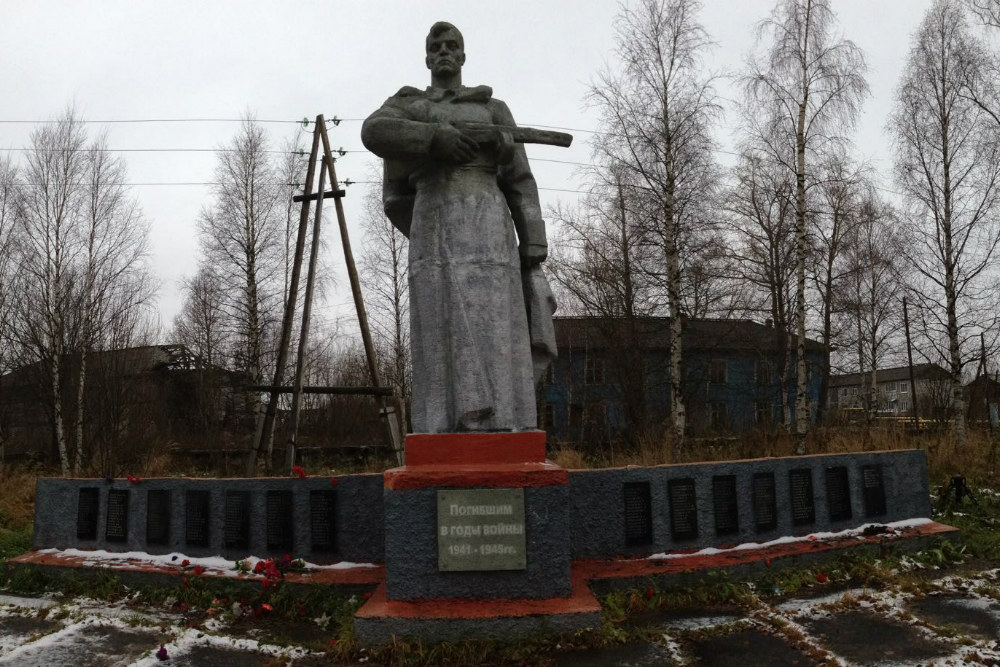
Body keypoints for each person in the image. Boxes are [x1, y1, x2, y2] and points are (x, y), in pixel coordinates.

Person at [361, 21, 556, 434]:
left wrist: (533, 239)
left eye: (453, 45)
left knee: (497, 328)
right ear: (427, 57)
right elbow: (373, 131)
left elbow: (520, 179)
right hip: (434, 225)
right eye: (437, 46)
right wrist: (436, 140)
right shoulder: (407, 103)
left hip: (489, 224)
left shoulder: (492, 108)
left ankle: (504, 424)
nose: (445, 51)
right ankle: (440, 428)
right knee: (438, 327)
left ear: (463, 56)